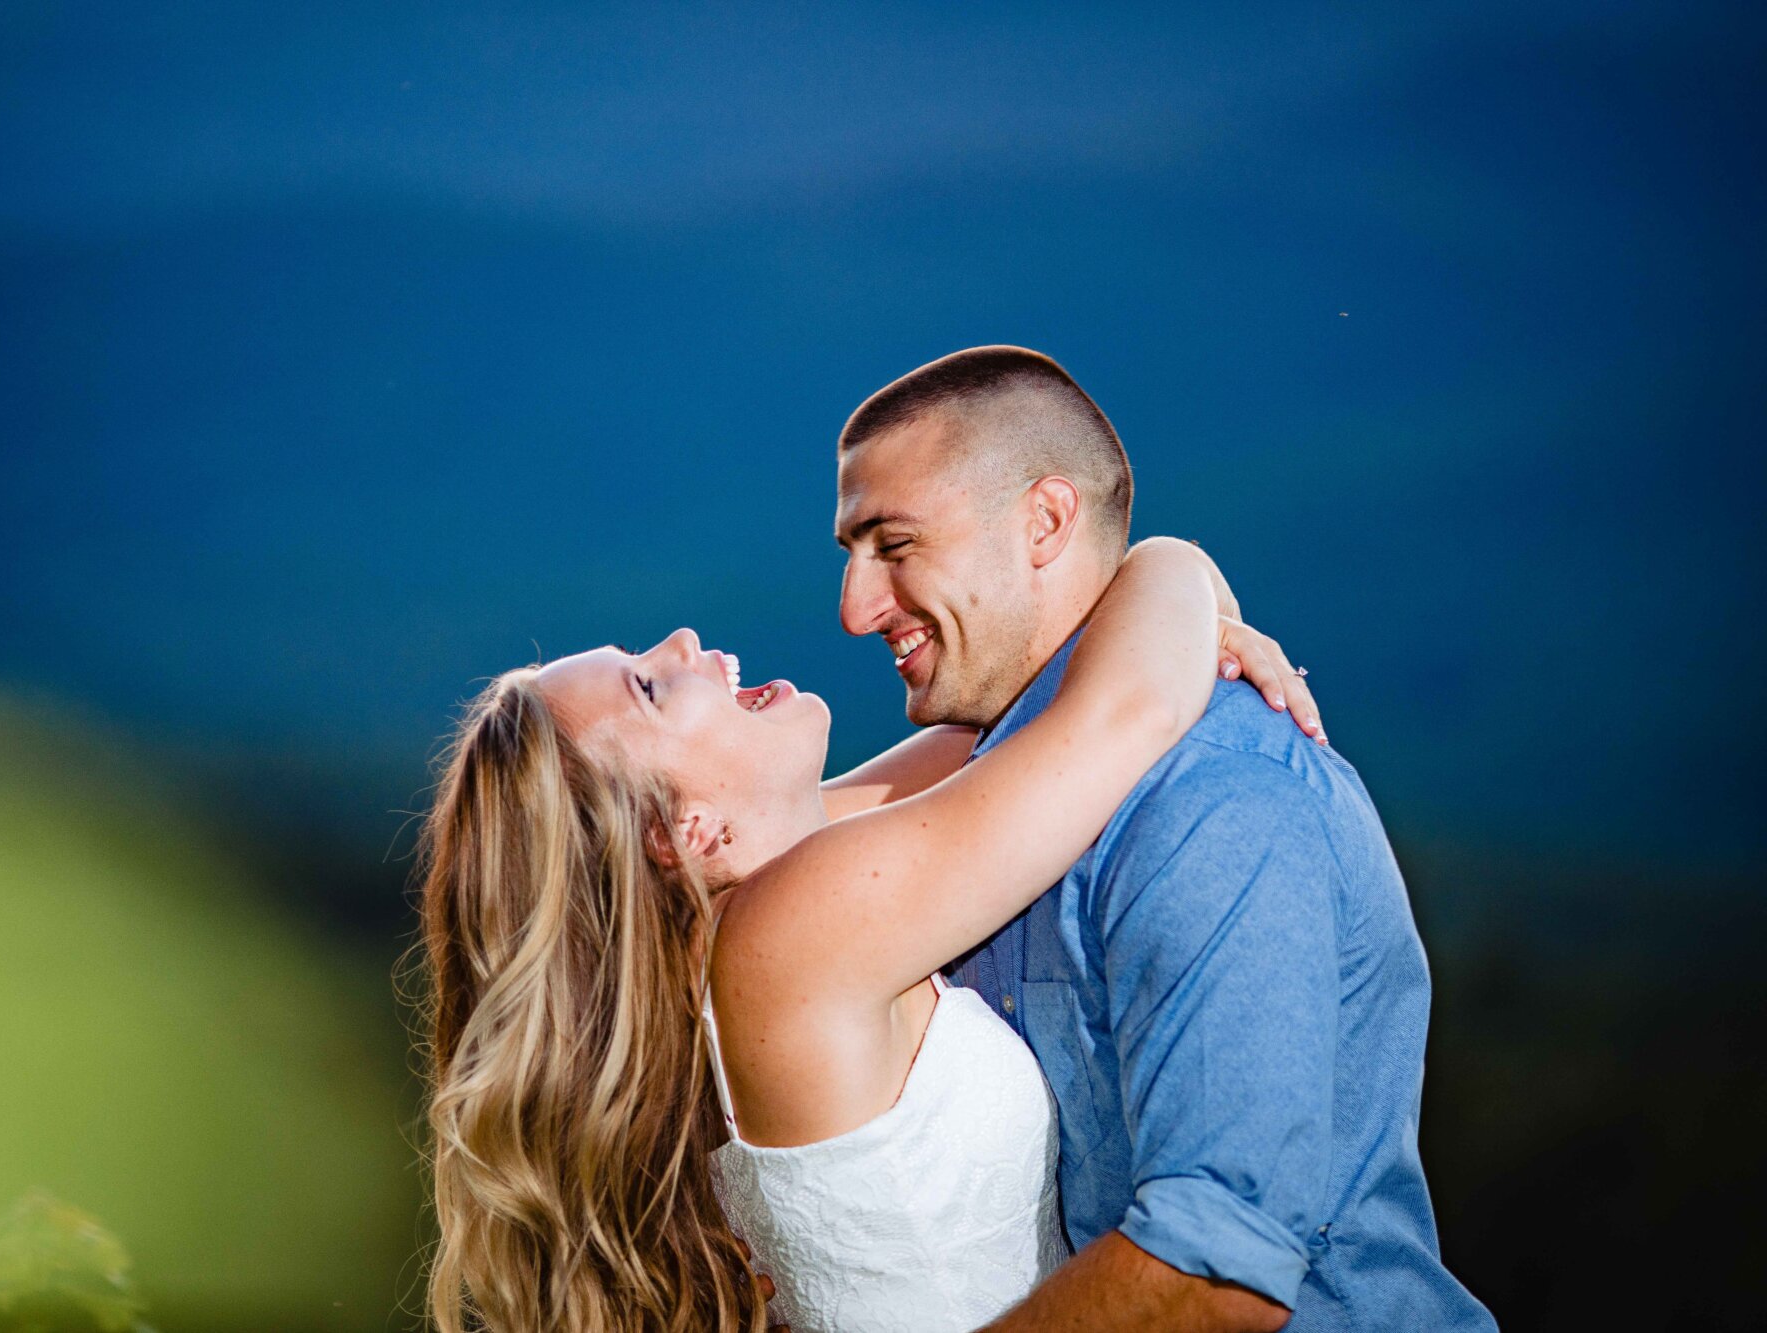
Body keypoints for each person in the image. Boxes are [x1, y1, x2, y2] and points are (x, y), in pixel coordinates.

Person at [417, 535, 1314, 1331]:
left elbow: (1015, 728)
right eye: (650, 686)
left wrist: (1173, 633)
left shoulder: (731, 936)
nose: (683, 643)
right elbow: (1123, 714)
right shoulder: (794, 933)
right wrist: (1177, 566)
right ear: (677, 835)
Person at [832, 345, 1495, 1331]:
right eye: (850, 552)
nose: (854, 608)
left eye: (893, 544)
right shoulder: (986, 802)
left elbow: (1212, 1272)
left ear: (1045, 520)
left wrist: (1174, 577)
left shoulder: (1216, 799)